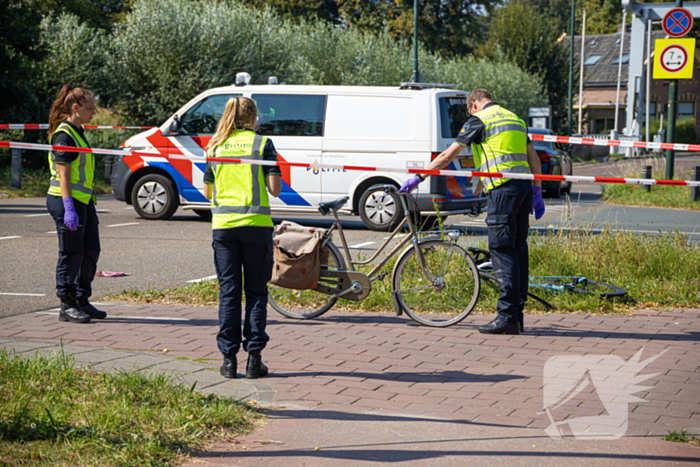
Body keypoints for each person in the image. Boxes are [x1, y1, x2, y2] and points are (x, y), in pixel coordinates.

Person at [400, 89, 545, 335]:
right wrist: (537, 191)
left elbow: (448, 155)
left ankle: (507, 316)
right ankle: (517, 315)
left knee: (502, 249)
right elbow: (534, 159)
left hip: (502, 191)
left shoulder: (479, 120)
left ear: (473, 105)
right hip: (523, 188)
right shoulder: (515, 119)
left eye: (468, 109)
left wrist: (419, 177)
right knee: (519, 249)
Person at [203, 97, 282, 379]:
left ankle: (228, 361)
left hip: (223, 227)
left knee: (229, 293)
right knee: (256, 293)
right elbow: (275, 189)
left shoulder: (214, 145)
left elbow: (207, 193)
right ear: (253, 117)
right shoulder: (262, 144)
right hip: (256, 226)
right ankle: (254, 360)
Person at [46, 84, 106, 324]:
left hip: (84, 201)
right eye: (90, 108)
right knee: (71, 253)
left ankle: (82, 298)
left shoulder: (79, 131)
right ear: (75, 107)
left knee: (91, 250)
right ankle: (67, 304)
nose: (93, 113)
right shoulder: (64, 135)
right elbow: (64, 176)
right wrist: (69, 208)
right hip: (66, 200)